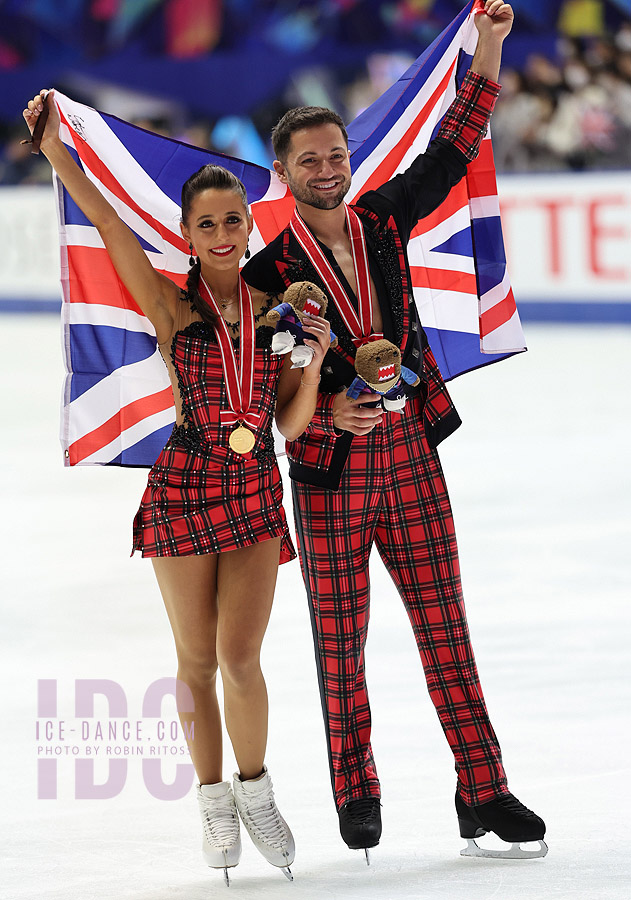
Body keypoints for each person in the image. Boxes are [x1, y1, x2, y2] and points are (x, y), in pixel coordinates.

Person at [242, 1, 548, 861]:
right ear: (283, 173)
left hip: (410, 452)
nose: (327, 170)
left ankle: (481, 787)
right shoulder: (267, 274)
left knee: (446, 626)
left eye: (336, 155)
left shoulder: (381, 218)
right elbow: (259, 388)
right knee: (341, 643)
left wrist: (488, 46)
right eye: (310, 161)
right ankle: (357, 789)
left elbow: (453, 145)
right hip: (328, 469)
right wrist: (324, 410)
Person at [23, 90, 332, 884]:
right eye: (207, 225)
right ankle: (211, 801)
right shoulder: (169, 305)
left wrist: (316, 364)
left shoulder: (281, 318)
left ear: (248, 227)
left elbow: (291, 424)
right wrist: (58, 152)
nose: (222, 235)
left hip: (255, 488)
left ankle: (256, 791)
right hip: (185, 487)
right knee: (195, 658)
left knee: (240, 656)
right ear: (188, 236)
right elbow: (109, 226)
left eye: (233, 221)